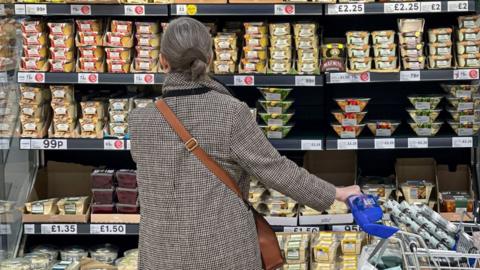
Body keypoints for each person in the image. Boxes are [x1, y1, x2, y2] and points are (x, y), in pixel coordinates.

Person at [129, 17, 361, 270]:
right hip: (223, 251)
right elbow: (275, 171)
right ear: (210, 58)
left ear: (163, 61)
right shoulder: (230, 113)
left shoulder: (140, 120)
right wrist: (336, 193)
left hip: (160, 255)